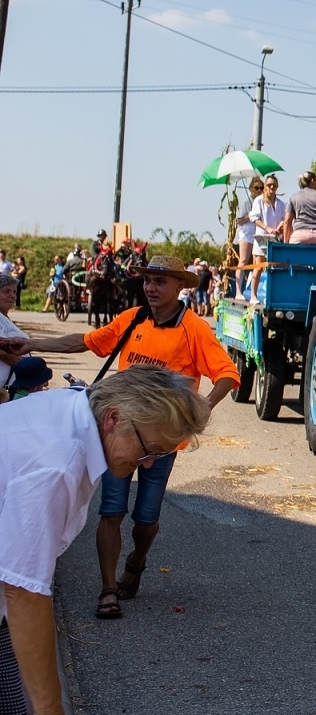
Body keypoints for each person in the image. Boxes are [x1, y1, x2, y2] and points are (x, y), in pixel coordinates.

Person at [0, 366, 210, 715]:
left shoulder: (73, 409)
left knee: (7, 710)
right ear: (114, 417)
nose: (148, 465)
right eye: (148, 449)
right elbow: (23, 590)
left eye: (160, 456)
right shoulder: (57, 464)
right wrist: (50, 710)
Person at [17, 255, 238, 620]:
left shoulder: (194, 329)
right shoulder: (132, 318)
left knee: (146, 518)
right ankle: (108, 588)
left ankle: (136, 562)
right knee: (111, 512)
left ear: (179, 286)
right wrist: (31, 346)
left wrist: (202, 409)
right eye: (148, 280)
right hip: (117, 434)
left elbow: (226, 373)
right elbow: (83, 342)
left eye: (160, 281)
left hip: (160, 443)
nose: (150, 287)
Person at [279, 171, 316, 245]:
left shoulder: (293, 197)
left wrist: (285, 241)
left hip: (300, 234)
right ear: (312, 181)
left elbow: (287, 221)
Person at [234, 176, 264, 299]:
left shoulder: (262, 202)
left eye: (261, 188)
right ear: (251, 189)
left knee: (258, 263)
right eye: (256, 188)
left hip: (258, 233)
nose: (259, 190)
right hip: (246, 233)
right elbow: (239, 221)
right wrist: (249, 215)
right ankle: (237, 291)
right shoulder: (247, 202)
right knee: (243, 260)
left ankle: (254, 292)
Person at [0, 277, 24, 394]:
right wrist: (29, 368)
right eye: (6, 291)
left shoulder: (4, 318)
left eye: (14, 292)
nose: (12, 295)